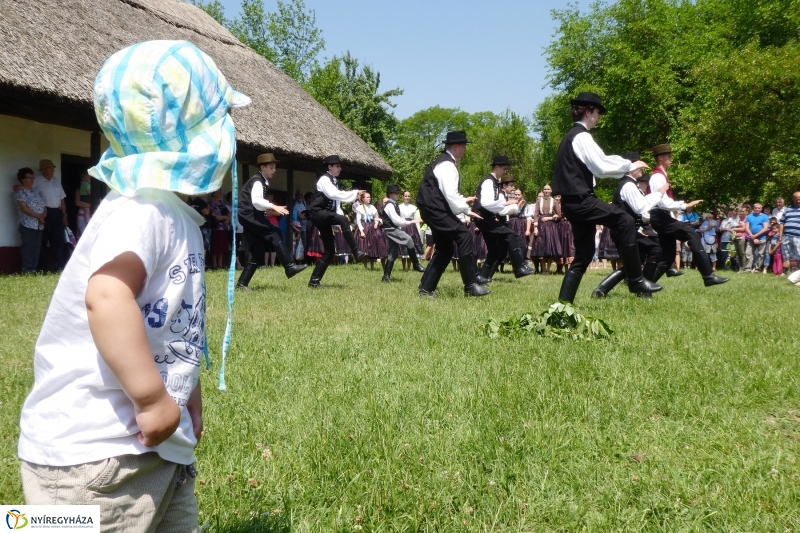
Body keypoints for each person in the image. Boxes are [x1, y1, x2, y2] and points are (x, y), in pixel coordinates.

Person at [17, 40, 250, 530]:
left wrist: (187, 399)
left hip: (154, 448)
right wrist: (150, 398)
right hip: (94, 459)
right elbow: (107, 296)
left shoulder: (173, 211)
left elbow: (171, 325)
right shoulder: (141, 210)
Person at [552, 92, 661, 302]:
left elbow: (598, 162)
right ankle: (636, 279)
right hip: (581, 201)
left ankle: (563, 306)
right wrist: (629, 165)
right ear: (588, 112)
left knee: (583, 256)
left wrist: (624, 164)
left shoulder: (571, 136)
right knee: (625, 219)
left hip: (572, 203)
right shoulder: (581, 136)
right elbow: (601, 166)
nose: (599, 117)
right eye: (598, 112)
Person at [416, 130, 488, 297]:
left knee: (445, 249)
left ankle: (426, 288)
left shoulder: (444, 163)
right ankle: (470, 284)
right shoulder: (448, 165)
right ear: (455, 146)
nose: (465, 149)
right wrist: (467, 210)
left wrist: (463, 202)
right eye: (464, 146)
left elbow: (447, 194)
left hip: (432, 209)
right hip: (435, 209)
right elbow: (450, 195)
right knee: (464, 235)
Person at [646, 143, 727, 286]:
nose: (671, 159)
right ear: (660, 158)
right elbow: (662, 202)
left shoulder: (661, 176)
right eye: (668, 156)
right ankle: (708, 276)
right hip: (660, 216)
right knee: (692, 235)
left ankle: (645, 286)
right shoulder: (657, 177)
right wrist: (685, 205)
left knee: (667, 256)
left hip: (662, 217)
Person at [591, 153, 669, 298]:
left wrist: (640, 229)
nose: (642, 169)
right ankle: (644, 289)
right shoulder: (628, 185)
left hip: (628, 230)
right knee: (653, 251)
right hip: (624, 231)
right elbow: (640, 207)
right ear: (629, 167)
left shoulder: (630, 184)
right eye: (638, 166)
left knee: (634, 262)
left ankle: (602, 290)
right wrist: (658, 194)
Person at [236, 153, 306, 290]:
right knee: (275, 232)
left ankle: (242, 284)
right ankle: (289, 267)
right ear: (262, 167)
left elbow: (257, 205)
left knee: (258, 250)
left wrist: (268, 211)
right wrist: (274, 206)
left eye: (275, 168)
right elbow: (256, 202)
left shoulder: (262, 181)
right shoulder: (257, 181)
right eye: (271, 167)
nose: (274, 170)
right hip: (248, 214)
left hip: (248, 215)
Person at [307, 155, 367, 288]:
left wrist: (342, 222)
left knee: (330, 251)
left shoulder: (334, 181)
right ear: (330, 167)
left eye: (340, 166)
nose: (340, 168)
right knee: (341, 219)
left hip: (325, 215)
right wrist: (354, 193)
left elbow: (336, 205)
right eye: (337, 166)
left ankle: (314, 281)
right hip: (316, 213)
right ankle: (356, 251)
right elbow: (333, 194)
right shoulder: (324, 179)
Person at [472, 155, 534, 283]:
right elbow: (486, 203)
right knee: (513, 236)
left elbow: (494, 206)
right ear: (497, 167)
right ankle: (519, 267)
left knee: (495, 250)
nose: (506, 171)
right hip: (483, 218)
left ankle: (483, 278)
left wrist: (509, 206)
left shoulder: (494, 182)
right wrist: (506, 204)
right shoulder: (489, 182)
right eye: (504, 169)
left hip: (484, 218)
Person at [380, 184, 426, 282]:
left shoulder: (394, 204)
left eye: (398, 193)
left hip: (393, 229)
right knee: (409, 240)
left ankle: (386, 277)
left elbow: (398, 220)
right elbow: (397, 221)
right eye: (396, 193)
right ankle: (416, 265)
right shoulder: (390, 206)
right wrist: (412, 221)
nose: (398, 195)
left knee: (393, 253)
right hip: (391, 229)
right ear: (390, 194)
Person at [33, 159, 67, 271]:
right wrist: (17, 187)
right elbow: (28, 191)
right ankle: (42, 266)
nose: (53, 170)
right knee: (43, 239)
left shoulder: (56, 181)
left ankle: (58, 265)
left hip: (57, 212)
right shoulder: (36, 181)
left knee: (58, 239)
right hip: (44, 212)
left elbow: (62, 199)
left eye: (53, 168)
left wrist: (64, 215)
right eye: (50, 168)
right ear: (43, 170)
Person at [14, 167, 46, 273]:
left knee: (36, 247)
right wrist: (38, 216)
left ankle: (34, 268)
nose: (32, 180)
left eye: (33, 178)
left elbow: (44, 207)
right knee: (28, 246)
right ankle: (27, 269)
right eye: (29, 178)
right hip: (27, 224)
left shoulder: (37, 192)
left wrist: (43, 216)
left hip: (39, 224)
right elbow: (24, 208)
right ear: (22, 179)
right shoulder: (20, 192)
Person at [530, 183, 561, 274]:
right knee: (541, 247)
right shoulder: (539, 201)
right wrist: (535, 227)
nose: (546, 191)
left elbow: (559, 215)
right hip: (541, 225)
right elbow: (536, 214)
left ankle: (548, 269)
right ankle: (543, 269)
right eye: (545, 189)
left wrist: (550, 218)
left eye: (548, 189)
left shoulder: (554, 201)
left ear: (551, 190)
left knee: (550, 246)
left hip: (551, 226)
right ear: (543, 190)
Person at [399, 190, 423, 271]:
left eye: (408, 196)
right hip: (403, 226)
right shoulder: (399, 207)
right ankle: (403, 267)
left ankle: (409, 267)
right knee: (403, 245)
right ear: (402, 197)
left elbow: (417, 220)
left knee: (410, 245)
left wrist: (418, 231)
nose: (407, 197)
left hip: (411, 228)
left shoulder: (414, 208)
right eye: (405, 196)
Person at [207, 189, 231, 269]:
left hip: (223, 227)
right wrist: (225, 217)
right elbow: (214, 216)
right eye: (219, 192)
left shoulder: (221, 203)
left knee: (222, 246)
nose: (220, 193)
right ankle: (214, 263)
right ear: (214, 193)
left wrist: (227, 219)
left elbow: (227, 213)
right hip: (215, 227)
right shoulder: (210, 203)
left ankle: (220, 263)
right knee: (216, 246)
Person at [744, 202, 770, 273]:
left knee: (760, 254)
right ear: (753, 208)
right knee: (748, 253)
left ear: (761, 209)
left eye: (759, 208)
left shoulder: (765, 217)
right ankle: (747, 269)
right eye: (756, 208)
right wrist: (752, 236)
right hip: (751, 238)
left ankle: (757, 269)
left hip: (762, 238)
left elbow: (765, 228)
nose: (757, 209)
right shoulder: (749, 216)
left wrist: (756, 236)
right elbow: (747, 228)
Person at [781, 192, 800, 283]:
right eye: (796, 198)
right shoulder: (788, 209)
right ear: (793, 198)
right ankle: (785, 272)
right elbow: (782, 223)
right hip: (786, 235)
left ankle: (797, 274)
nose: (798, 200)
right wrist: (780, 236)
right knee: (786, 255)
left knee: (798, 256)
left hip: (798, 236)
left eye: (799, 198)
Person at [74, 170, 92, 236]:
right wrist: (91, 205)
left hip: (93, 216)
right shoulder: (79, 190)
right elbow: (78, 203)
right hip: (82, 216)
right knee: (85, 235)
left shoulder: (94, 190)